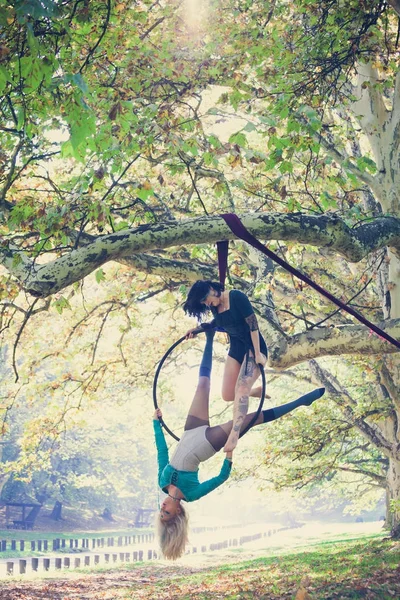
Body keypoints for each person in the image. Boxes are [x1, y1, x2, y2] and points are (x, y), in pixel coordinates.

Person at [154, 330, 325, 559]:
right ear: (176, 514)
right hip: (207, 443)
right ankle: (300, 402)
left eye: (161, 510)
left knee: (202, 385)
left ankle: (210, 334)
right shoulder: (191, 494)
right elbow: (220, 479)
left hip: (190, 431)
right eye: (166, 513)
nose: (163, 507)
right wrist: (229, 455)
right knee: (250, 419)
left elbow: (162, 452)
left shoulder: (162, 482)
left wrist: (157, 423)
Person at [183, 280, 268, 452]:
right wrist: (197, 329)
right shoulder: (215, 307)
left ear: (212, 290)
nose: (207, 304)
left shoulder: (236, 297)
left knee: (242, 387)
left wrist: (258, 354)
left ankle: (234, 435)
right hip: (236, 347)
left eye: (206, 300)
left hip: (253, 346)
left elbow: (253, 325)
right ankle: (255, 392)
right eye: (204, 304)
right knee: (228, 394)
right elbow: (218, 323)